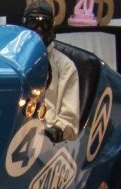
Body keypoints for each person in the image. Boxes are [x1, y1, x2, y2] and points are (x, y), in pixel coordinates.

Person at [23, 0, 80, 143]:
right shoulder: (13, 63)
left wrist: (54, 132)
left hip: (46, 140)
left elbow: (70, 121)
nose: (39, 28)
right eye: (33, 22)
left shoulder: (65, 66)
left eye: (45, 22)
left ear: (52, 26)